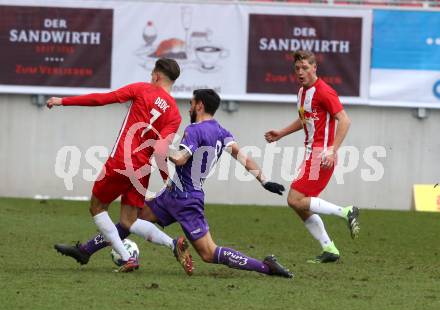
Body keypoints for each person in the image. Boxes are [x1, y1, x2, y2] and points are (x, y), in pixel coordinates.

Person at [57, 89, 293, 278]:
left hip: (187, 200)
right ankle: (85, 250)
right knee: (130, 221)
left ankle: (265, 267)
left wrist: (158, 145)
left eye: (191, 103)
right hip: (172, 194)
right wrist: (264, 180)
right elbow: (244, 157)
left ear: (199, 105)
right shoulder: (223, 132)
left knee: (209, 253)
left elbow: (181, 158)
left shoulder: (194, 130)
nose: (189, 107)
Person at [48, 58, 192, 273]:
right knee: (129, 220)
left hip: (121, 161)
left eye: (152, 73)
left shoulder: (142, 89)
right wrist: (165, 178)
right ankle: (173, 244)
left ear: (157, 75)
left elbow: (102, 99)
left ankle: (127, 258)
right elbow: (161, 150)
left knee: (97, 207)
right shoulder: (174, 114)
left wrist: (63, 101)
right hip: (143, 169)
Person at [265, 50, 360, 263]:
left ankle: (346, 212)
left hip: (322, 155)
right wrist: (281, 133)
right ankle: (329, 248)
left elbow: (345, 120)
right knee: (298, 204)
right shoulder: (301, 92)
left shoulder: (325, 92)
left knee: (294, 199)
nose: (300, 72)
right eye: (297, 68)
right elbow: (305, 119)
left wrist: (332, 150)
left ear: (314, 68)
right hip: (310, 154)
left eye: (305, 68)